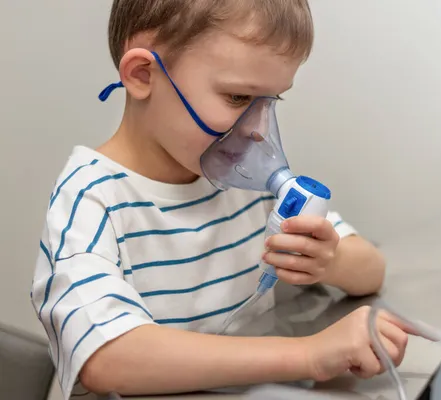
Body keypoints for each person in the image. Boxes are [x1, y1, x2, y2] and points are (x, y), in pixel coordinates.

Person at [30, 1, 412, 399]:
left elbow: (372, 270)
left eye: (271, 102)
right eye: (237, 98)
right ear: (143, 75)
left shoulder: (246, 184)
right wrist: (307, 354)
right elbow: (109, 359)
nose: (259, 131)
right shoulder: (91, 199)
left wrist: (328, 261)